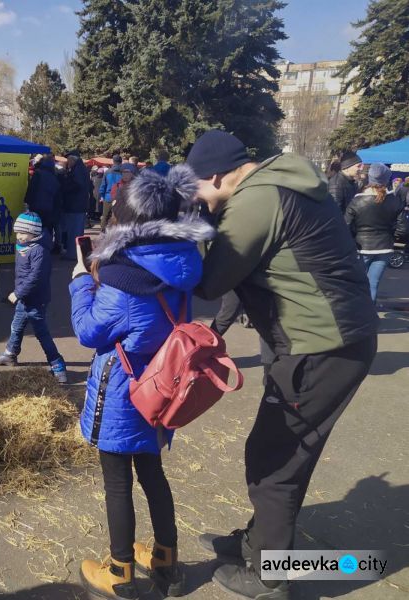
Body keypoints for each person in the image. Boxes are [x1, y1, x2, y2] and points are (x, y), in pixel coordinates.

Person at [187, 130, 378, 600]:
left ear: (213, 176)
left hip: (320, 346)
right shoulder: (278, 181)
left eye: (195, 188)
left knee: (275, 459)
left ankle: (270, 577)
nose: (194, 196)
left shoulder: (257, 201)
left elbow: (210, 282)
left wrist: (192, 228)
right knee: (283, 452)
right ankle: (260, 546)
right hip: (330, 339)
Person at [70, 166, 214, 600]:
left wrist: (80, 282)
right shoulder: (183, 264)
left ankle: (119, 573)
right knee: (153, 475)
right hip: (163, 388)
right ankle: (166, 563)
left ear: (127, 224)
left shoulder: (123, 280)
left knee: (117, 482)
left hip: (123, 392)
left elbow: (90, 333)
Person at [0, 212, 67, 383]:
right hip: (25, 298)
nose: (19, 236)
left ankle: (58, 365)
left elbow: (36, 277)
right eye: (17, 232)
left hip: (35, 300)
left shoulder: (39, 250)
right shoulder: (24, 245)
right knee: (16, 326)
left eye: (23, 233)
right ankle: (10, 354)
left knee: (42, 334)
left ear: (34, 233)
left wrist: (18, 293)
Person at [345, 163, 404, 304]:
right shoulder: (394, 200)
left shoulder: (357, 200)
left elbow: (346, 225)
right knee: (373, 284)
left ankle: (356, 317)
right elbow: (402, 227)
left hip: (361, 247)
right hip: (385, 247)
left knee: (356, 284)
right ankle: (368, 318)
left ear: (370, 179)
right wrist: (392, 236)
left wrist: (352, 241)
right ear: (386, 180)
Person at [24, 154, 62, 251]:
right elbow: (57, 193)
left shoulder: (38, 173)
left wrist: (27, 200)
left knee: (36, 227)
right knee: (47, 227)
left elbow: (32, 188)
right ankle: (46, 247)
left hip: (37, 205)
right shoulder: (54, 176)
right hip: (49, 206)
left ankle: (36, 247)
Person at [60, 151, 89, 260]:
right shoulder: (80, 168)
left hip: (75, 205)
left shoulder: (78, 170)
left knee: (74, 231)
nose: (68, 162)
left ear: (73, 159)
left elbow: (78, 185)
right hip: (78, 204)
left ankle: (73, 254)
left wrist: (65, 188)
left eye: (69, 160)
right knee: (75, 230)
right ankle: (75, 253)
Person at [99, 155, 123, 233]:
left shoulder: (107, 172)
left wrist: (102, 195)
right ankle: (115, 233)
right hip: (120, 198)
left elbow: (103, 185)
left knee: (105, 216)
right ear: (121, 161)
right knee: (117, 216)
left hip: (108, 197)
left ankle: (103, 231)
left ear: (113, 161)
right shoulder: (124, 172)